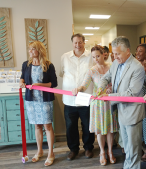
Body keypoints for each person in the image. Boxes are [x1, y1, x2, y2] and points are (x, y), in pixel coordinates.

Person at [97, 36, 145, 169]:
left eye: (117, 53)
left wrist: (108, 96)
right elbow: (106, 77)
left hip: (133, 112)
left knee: (134, 148)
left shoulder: (137, 68)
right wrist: (101, 87)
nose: (115, 56)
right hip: (121, 111)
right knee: (126, 145)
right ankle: (127, 166)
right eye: (113, 53)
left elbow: (131, 93)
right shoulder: (116, 63)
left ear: (128, 51)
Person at [72, 45, 118, 166]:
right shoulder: (91, 70)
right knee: (99, 130)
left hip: (109, 102)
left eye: (98, 56)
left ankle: (110, 151)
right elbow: (84, 85)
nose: (96, 59)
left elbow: (118, 83)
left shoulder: (112, 67)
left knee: (110, 130)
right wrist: (78, 89)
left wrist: (112, 89)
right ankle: (102, 152)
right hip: (97, 104)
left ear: (104, 54)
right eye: (93, 57)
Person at [19, 41, 57, 166]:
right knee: (37, 126)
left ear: (39, 50)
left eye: (32, 49)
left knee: (48, 127)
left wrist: (39, 85)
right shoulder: (26, 64)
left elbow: (53, 83)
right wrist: (21, 82)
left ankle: (51, 153)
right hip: (31, 100)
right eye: (29, 49)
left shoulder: (48, 65)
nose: (30, 51)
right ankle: (39, 151)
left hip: (44, 100)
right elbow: (22, 77)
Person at [60, 33, 95, 161]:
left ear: (84, 42)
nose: (78, 45)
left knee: (87, 125)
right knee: (70, 127)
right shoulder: (65, 57)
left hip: (86, 98)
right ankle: (73, 149)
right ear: (72, 43)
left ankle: (88, 148)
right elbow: (61, 72)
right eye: (75, 42)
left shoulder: (91, 56)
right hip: (69, 100)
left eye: (80, 42)